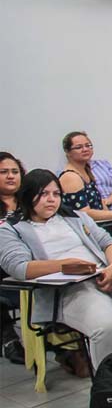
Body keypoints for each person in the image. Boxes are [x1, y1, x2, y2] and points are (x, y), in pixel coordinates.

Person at [0, 169, 112, 372]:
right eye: (43, 194)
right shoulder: (12, 228)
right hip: (72, 289)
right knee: (108, 328)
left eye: (56, 194)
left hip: (106, 273)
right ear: (27, 196)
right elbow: (20, 268)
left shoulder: (75, 217)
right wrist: (66, 265)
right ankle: (108, 391)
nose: (51, 200)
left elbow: (108, 243)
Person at [58, 132, 112, 224]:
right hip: (87, 230)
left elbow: (100, 204)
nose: (85, 149)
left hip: (103, 224)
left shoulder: (86, 171)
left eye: (88, 145)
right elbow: (84, 213)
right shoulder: (70, 176)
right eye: (79, 147)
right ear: (68, 152)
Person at [0, 152, 25, 364]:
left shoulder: (32, 202)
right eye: (4, 172)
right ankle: (9, 340)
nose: (10, 176)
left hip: (33, 264)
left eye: (14, 172)